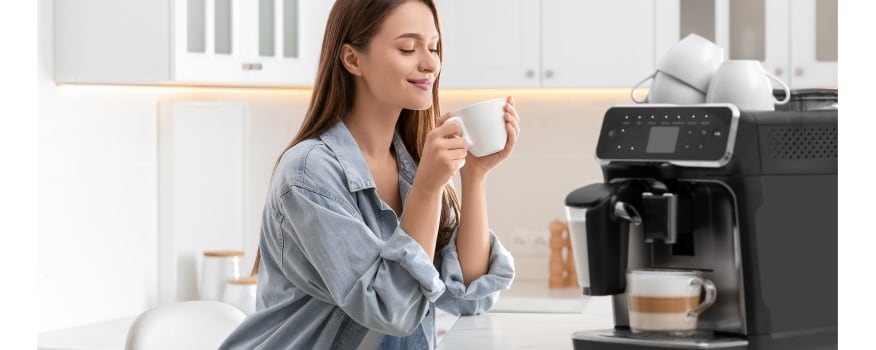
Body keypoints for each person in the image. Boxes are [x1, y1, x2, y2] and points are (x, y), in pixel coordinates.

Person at [219, 0, 518, 348]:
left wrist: (474, 176)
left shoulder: (410, 166)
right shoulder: (308, 174)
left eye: (434, 47)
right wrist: (427, 187)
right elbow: (391, 311)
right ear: (352, 59)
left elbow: (469, 296)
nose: (430, 63)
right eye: (408, 48)